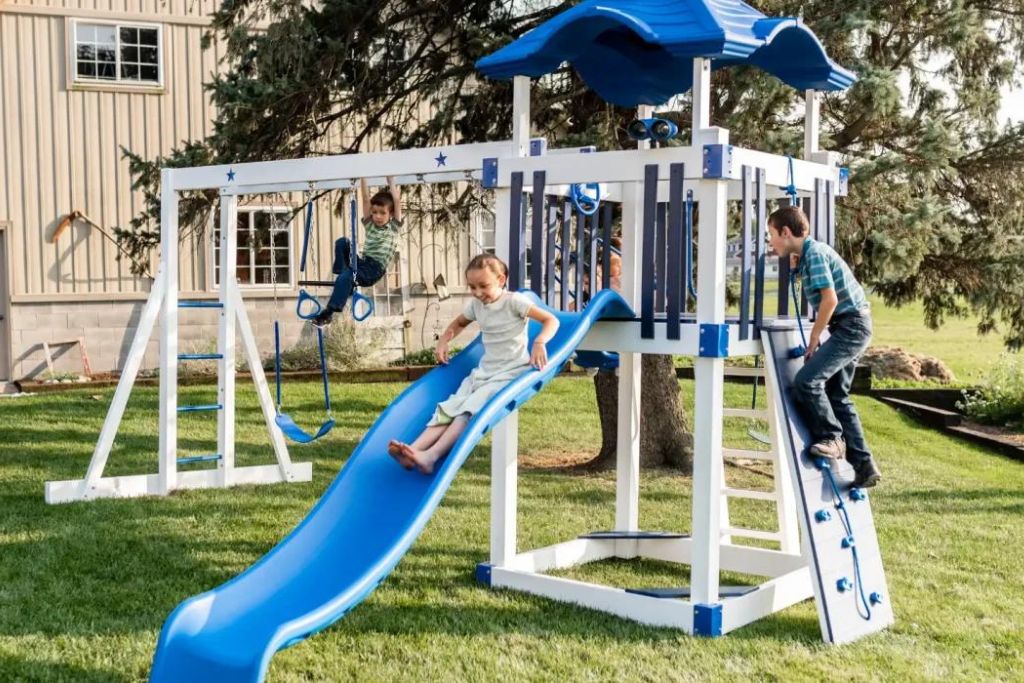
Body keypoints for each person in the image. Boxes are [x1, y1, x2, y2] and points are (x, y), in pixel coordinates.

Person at [388, 253, 560, 474]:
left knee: (466, 411)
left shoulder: (514, 301)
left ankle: (431, 456)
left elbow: (551, 320)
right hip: (484, 372)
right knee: (451, 407)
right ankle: (413, 450)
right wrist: (444, 340)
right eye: (472, 287)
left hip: (509, 373)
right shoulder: (477, 305)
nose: (478, 292)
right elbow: (459, 323)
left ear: (501, 280)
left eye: (483, 286)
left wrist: (540, 341)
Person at [766, 205, 881, 488]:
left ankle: (832, 438)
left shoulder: (815, 254)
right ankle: (865, 466)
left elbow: (829, 300)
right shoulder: (810, 255)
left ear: (786, 231)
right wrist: (796, 269)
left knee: (807, 380)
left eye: (772, 235)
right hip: (853, 325)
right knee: (837, 395)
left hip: (850, 326)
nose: (771, 242)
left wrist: (815, 337)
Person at [311, 177, 402, 327]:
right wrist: (362, 177)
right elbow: (365, 199)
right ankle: (342, 273)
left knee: (347, 276)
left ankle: (328, 314)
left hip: (374, 270)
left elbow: (397, 201)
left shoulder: (393, 228)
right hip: (362, 263)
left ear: (391, 214)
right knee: (342, 242)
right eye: (375, 212)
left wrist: (391, 181)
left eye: (382, 213)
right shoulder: (370, 225)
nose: (378, 216)